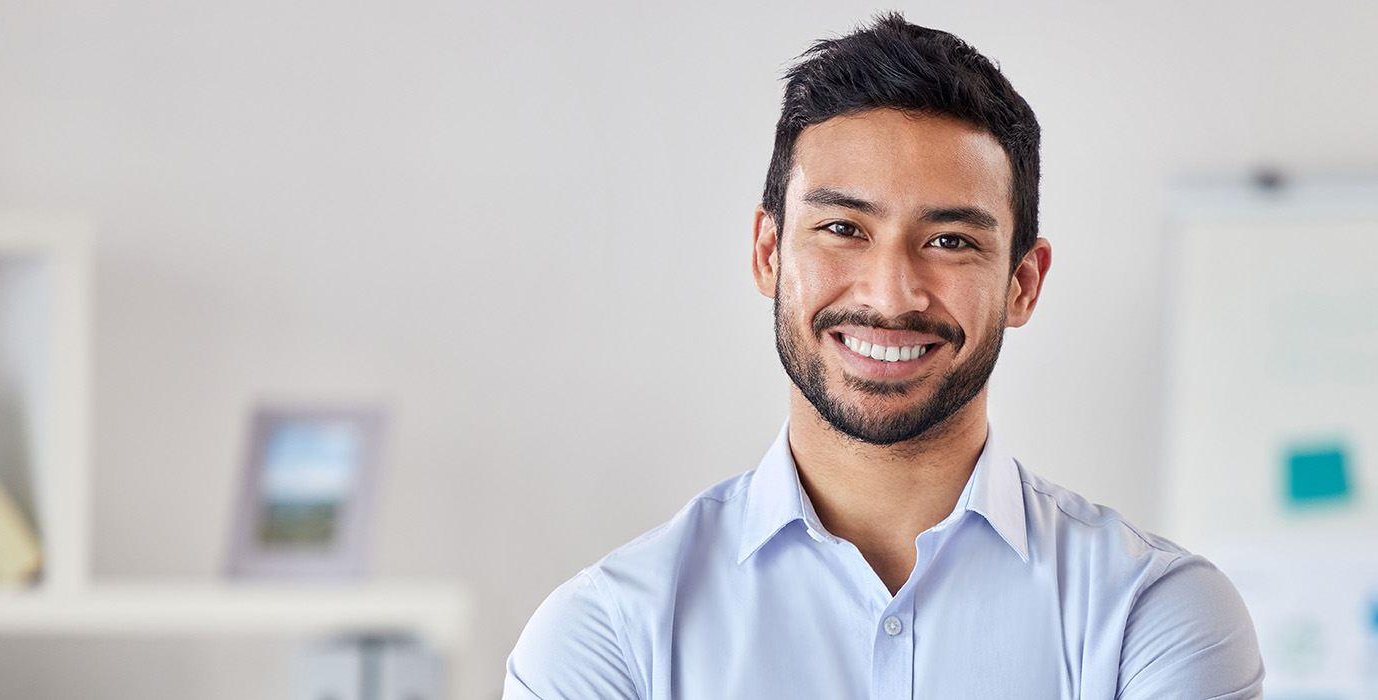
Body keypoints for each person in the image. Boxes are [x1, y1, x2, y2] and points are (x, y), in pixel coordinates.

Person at [502, 13, 1264, 699]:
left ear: (1023, 283)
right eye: (843, 228)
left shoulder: (1153, 615)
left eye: (950, 241)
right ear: (768, 252)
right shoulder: (606, 637)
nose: (892, 295)